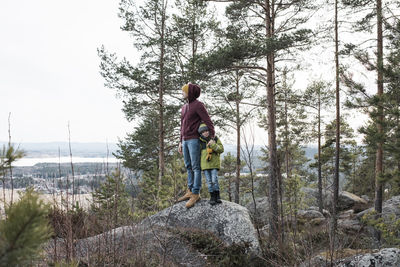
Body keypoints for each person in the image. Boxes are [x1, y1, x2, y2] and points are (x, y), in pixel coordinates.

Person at [178, 83, 215, 208]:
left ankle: (195, 193)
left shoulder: (199, 105)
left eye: (184, 91)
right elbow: (182, 126)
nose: (182, 93)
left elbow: (208, 121)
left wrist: (212, 137)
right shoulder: (184, 107)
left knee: (195, 167)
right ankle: (189, 190)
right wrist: (180, 141)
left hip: (194, 140)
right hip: (185, 140)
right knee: (188, 166)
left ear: (190, 92)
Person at [198, 123, 224, 205]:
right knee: (209, 182)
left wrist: (212, 144)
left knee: (214, 180)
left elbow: (221, 149)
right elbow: (198, 154)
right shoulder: (200, 141)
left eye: (206, 131)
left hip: (214, 164)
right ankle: (212, 197)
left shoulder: (215, 139)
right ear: (201, 133)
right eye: (203, 132)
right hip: (205, 165)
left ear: (209, 131)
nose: (205, 133)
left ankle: (217, 196)